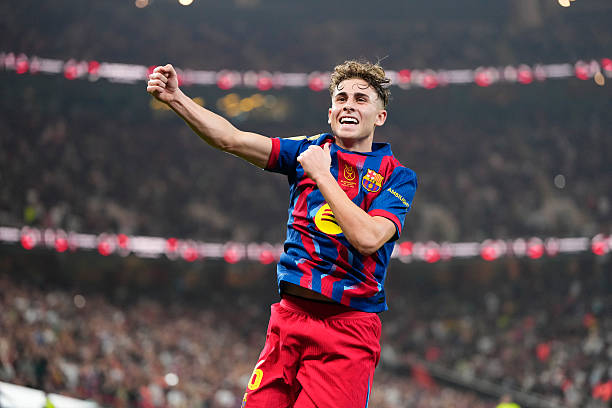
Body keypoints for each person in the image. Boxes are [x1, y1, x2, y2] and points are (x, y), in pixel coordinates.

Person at [147, 60, 417, 408]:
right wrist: (177, 98)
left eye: (361, 99)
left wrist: (322, 175)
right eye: (341, 98)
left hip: (346, 331)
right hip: (288, 318)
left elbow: (368, 239)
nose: (349, 105)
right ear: (330, 113)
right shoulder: (306, 150)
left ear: (380, 117)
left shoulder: (397, 176)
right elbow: (231, 139)